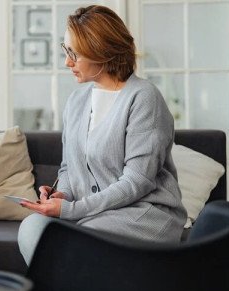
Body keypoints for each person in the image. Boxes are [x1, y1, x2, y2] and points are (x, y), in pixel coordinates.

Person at [18, 5, 187, 265]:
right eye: (66, 51)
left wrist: (70, 211)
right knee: (32, 227)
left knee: (78, 238)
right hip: (93, 215)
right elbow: (68, 168)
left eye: (74, 53)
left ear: (102, 52)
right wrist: (61, 194)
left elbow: (137, 182)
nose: (67, 62)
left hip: (140, 214)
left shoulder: (143, 97)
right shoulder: (76, 101)